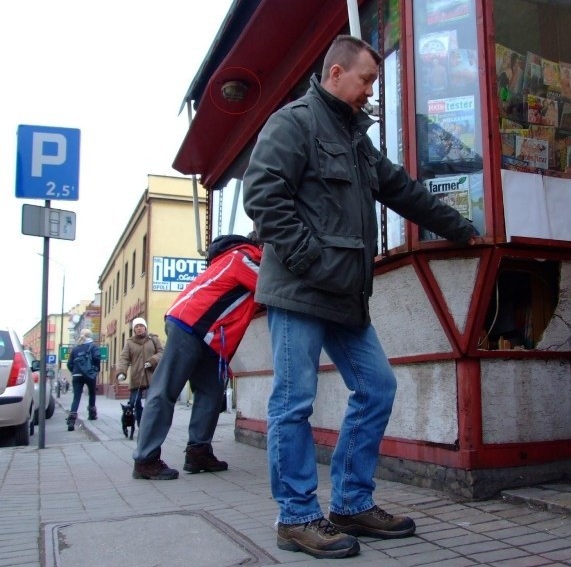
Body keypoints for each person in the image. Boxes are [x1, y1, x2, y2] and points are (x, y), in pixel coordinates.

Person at [242, 34, 479, 560]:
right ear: (335, 74)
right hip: (302, 290)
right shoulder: (294, 122)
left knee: (377, 389)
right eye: (366, 80)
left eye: (374, 82)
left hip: (345, 295)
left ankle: (350, 502)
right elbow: (260, 193)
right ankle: (297, 516)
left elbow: (403, 190)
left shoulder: (356, 139)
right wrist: (307, 258)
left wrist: (460, 228)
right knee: (293, 403)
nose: (370, 92)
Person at [132, 233, 263, 480]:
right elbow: (270, 286)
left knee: (211, 392)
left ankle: (198, 452)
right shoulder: (244, 257)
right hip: (192, 326)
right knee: (165, 390)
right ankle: (145, 458)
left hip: (206, 334)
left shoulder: (230, 258)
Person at [116, 317, 164, 426]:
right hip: (136, 377)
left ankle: (151, 422)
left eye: (141, 326)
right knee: (135, 401)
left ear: (145, 328)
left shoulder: (153, 339)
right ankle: (140, 422)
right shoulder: (129, 343)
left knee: (152, 400)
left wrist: (152, 361)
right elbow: (124, 358)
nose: (139, 328)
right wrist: (121, 372)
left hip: (152, 375)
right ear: (134, 330)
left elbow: (161, 353)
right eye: (136, 327)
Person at [66, 328, 101, 431]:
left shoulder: (76, 348)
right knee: (92, 393)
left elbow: (69, 364)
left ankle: (72, 419)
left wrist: (74, 371)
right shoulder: (93, 346)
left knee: (76, 397)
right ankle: (92, 413)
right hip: (89, 374)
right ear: (90, 336)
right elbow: (97, 358)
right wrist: (96, 370)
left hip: (77, 375)